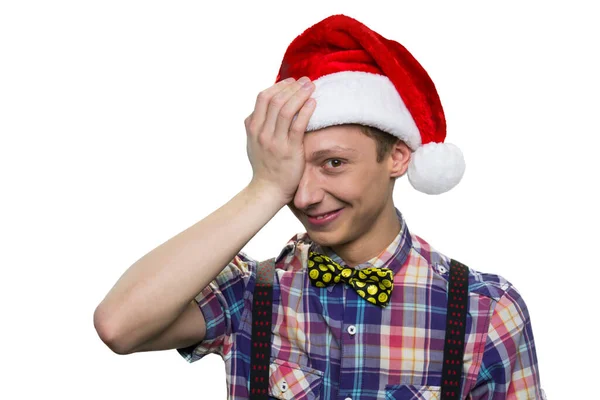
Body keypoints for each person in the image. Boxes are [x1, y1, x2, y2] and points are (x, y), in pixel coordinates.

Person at [94, 14, 545, 399]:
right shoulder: (249, 293)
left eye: (333, 163)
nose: (305, 196)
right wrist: (266, 187)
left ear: (397, 156)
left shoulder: (484, 310)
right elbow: (119, 325)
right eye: (293, 170)